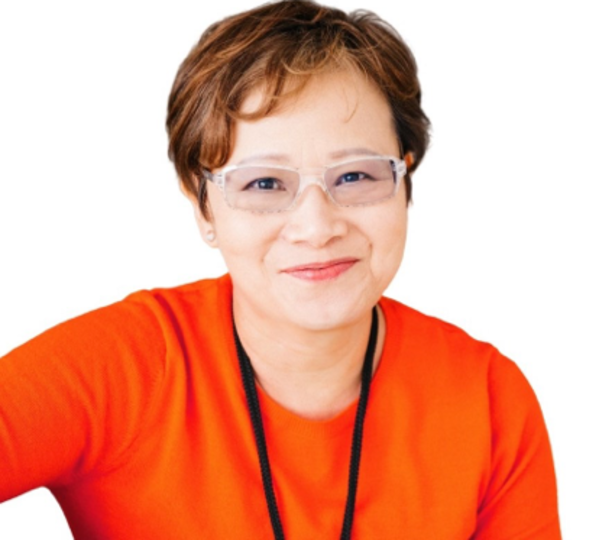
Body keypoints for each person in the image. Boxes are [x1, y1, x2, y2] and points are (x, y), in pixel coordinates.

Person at [0, 0, 561, 538]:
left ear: (404, 180)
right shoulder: (126, 368)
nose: (316, 227)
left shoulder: (487, 399)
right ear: (204, 207)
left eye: (356, 176)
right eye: (264, 183)